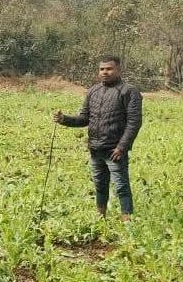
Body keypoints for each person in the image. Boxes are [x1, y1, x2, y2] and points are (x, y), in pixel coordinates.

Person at [53, 56, 143, 221]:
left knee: (121, 187)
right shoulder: (93, 91)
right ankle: (100, 219)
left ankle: (128, 223)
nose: (105, 72)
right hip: (95, 149)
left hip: (114, 150)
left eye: (109, 69)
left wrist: (122, 147)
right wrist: (64, 119)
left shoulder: (129, 91)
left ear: (118, 70)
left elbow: (134, 123)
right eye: (102, 69)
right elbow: (84, 119)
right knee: (100, 186)